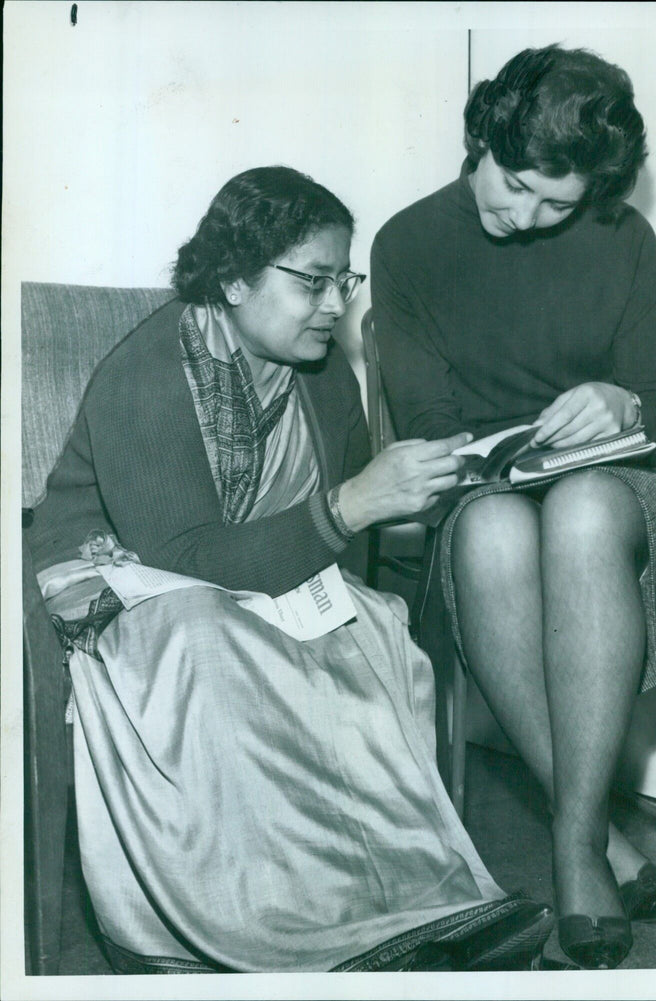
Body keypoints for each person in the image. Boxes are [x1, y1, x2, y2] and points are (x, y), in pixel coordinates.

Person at [26, 166, 557, 973]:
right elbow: (186, 555)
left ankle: (403, 915)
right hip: (119, 586)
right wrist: (351, 504)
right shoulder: (143, 374)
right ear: (234, 279)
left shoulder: (321, 375)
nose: (338, 305)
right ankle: (265, 932)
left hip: (244, 583)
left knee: (372, 625)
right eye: (313, 281)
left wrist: (448, 476)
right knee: (205, 635)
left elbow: (336, 516)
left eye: (343, 279)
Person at [371, 46, 656, 970]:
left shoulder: (621, 239)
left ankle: (571, 847)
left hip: (634, 497)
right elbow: (434, 433)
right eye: (514, 183)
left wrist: (625, 403)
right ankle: (600, 837)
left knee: (586, 510)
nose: (524, 216)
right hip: (493, 499)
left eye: (553, 204)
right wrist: (494, 461)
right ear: (481, 137)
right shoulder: (406, 245)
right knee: (487, 525)